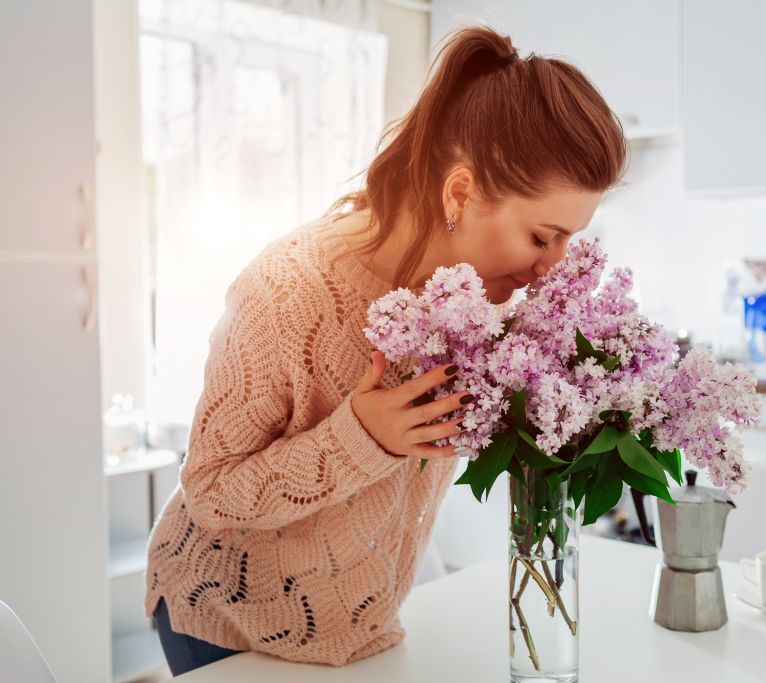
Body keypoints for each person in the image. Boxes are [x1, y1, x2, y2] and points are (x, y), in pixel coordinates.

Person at [145, 24, 627, 674]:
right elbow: (210, 490)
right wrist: (362, 436)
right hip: (230, 620)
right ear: (461, 193)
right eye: (543, 237)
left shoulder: (480, 302)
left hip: (361, 634)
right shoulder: (287, 290)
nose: (553, 267)